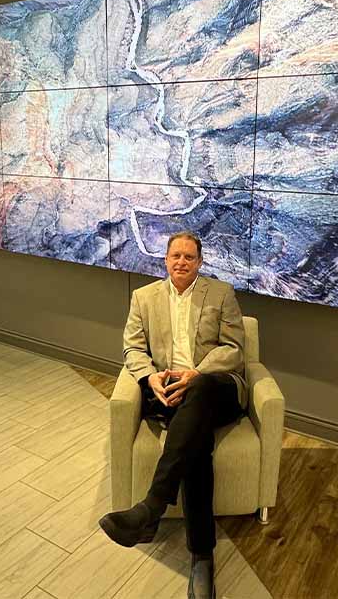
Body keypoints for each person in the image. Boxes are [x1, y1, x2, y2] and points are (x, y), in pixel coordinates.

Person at [99, 231, 246, 599]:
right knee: (196, 445)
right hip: (168, 392)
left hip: (215, 388)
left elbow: (235, 350)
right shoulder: (143, 297)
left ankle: (152, 506)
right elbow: (133, 349)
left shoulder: (221, 293)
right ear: (165, 259)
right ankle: (202, 556)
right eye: (175, 256)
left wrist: (196, 373)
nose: (182, 262)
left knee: (200, 391)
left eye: (189, 257)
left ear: (200, 262)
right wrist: (150, 377)